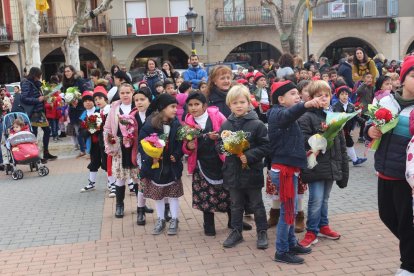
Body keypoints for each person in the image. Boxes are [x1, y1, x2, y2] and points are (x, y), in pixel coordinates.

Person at [366, 56, 414, 275]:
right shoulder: (386, 101)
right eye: (413, 75)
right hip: (384, 170)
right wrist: (370, 130)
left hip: (408, 177)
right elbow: (369, 123)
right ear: (403, 78)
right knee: (387, 215)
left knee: (406, 222)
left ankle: (408, 265)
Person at [268, 80, 323, 264]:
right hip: (283, 171)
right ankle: (282, 251)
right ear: (281, 99)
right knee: (287, 212)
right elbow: (289, 114)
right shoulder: (277, 113)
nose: (297, 95)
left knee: (289, 211)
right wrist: (305, 104)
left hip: (290, 169)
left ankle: (291, 243)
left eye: (297, 93)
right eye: (292, 93)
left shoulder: (287, 115)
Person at [298, 80, 349, 248]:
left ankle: (323, 225)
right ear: (311, 98)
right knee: (316, 199)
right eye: (319, 96)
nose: (323, 98)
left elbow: (341, 144)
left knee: (325, 198)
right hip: (315, 166)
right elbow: (303, 140)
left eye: (326, 95)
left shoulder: (334, 115)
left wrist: (342, 165)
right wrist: (320, 138)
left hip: (331, 164)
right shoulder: (307, 116)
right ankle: (311, 230)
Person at [219, 85, 269, 249]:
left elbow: (265, 147)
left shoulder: (257, 124)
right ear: (229, 105)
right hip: (233, 172)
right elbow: (219, 145)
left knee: (256, 205)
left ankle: (262, 231)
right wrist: (224, 148)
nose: (239, 105)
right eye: (235, 103)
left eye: (242, 102)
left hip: (251, 172)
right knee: (236, 205)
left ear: (249, 103)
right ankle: (236, 231)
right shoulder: (226, 124)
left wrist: (248, 156)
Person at [182, 92, 230, 236]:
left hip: (220, 161)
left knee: (227, 192)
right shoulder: (188, 123)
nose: (193, 108)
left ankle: (234, 221)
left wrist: (219, 136)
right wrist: (189, 147)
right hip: (201, 164)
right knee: (205, 195)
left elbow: (229, 133)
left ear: (204, 105)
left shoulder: (217, 116)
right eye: (190, 105)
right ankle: (208, 225)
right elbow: (185, 147)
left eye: (196, 104)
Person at [138, 93, 184, 235]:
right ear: (163, 108)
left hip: (171, 166)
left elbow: (179, 142)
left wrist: (176, 155)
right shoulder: (150, 124)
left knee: (173, 194)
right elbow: (142, 144)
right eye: (172, 107)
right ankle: (161, 219)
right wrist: (152, 157)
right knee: (159, 195)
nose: (175, 110)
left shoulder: (176, 123)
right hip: (156, 166)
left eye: (176, 107)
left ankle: (175, 219)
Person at [104, 83, 139, 219]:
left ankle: (140, 204)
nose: (125, 95)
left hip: (135, 145)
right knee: (120, 177)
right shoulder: (114, 108)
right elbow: (107, 128)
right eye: (122, 93)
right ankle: (119, 205)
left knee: (137, 177)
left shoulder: (137, 107)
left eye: (128, 92)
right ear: (119, 94)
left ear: (132, 93)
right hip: (119, 145)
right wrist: (109, 144)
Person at [21, 67, 57, 162]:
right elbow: (23, 98)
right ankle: (35, 156)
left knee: (47, 131)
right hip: (33, 113)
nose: (39, 78)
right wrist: (38, 99)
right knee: (34, 134)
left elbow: (39, 94)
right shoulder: (26, 83)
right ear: (34, 75)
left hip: (40, 112)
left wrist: (46, 96)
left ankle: (45, 153)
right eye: (38, 76)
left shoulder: (36, 83)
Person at [133, 87, 155, 225]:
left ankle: (165, 209)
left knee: (161, 180)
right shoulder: (131, 116)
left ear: (149, 100)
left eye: (142, 99)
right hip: (141, 154)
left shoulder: (155, 115)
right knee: (142, 182)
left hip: (156, 152)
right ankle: (140, 210)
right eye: (136, 100)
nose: (139, 103)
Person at [79, 90, 108, 192]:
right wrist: (89, 129)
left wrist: (91, 128)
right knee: (94, 163)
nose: (88, 102)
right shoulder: (82, 116)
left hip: (103, 143)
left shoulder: (100, 111)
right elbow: (83, 132)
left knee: (107, 163)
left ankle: (112, 185)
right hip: (92, 144)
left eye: (90, 100)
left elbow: (96, 128)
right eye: (85, 101)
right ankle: (91, 183)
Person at [332, 85, 367, 166]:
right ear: (338, 96)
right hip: (338, 129)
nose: (344, 96)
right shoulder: (335, 106)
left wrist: (364, 122)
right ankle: (338, 161)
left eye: (346, 94)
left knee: (349, 143)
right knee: (338, 145)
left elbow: (356, 116)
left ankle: (355, 160)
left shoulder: (351, 105)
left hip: (347, 129)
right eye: (342, 94)